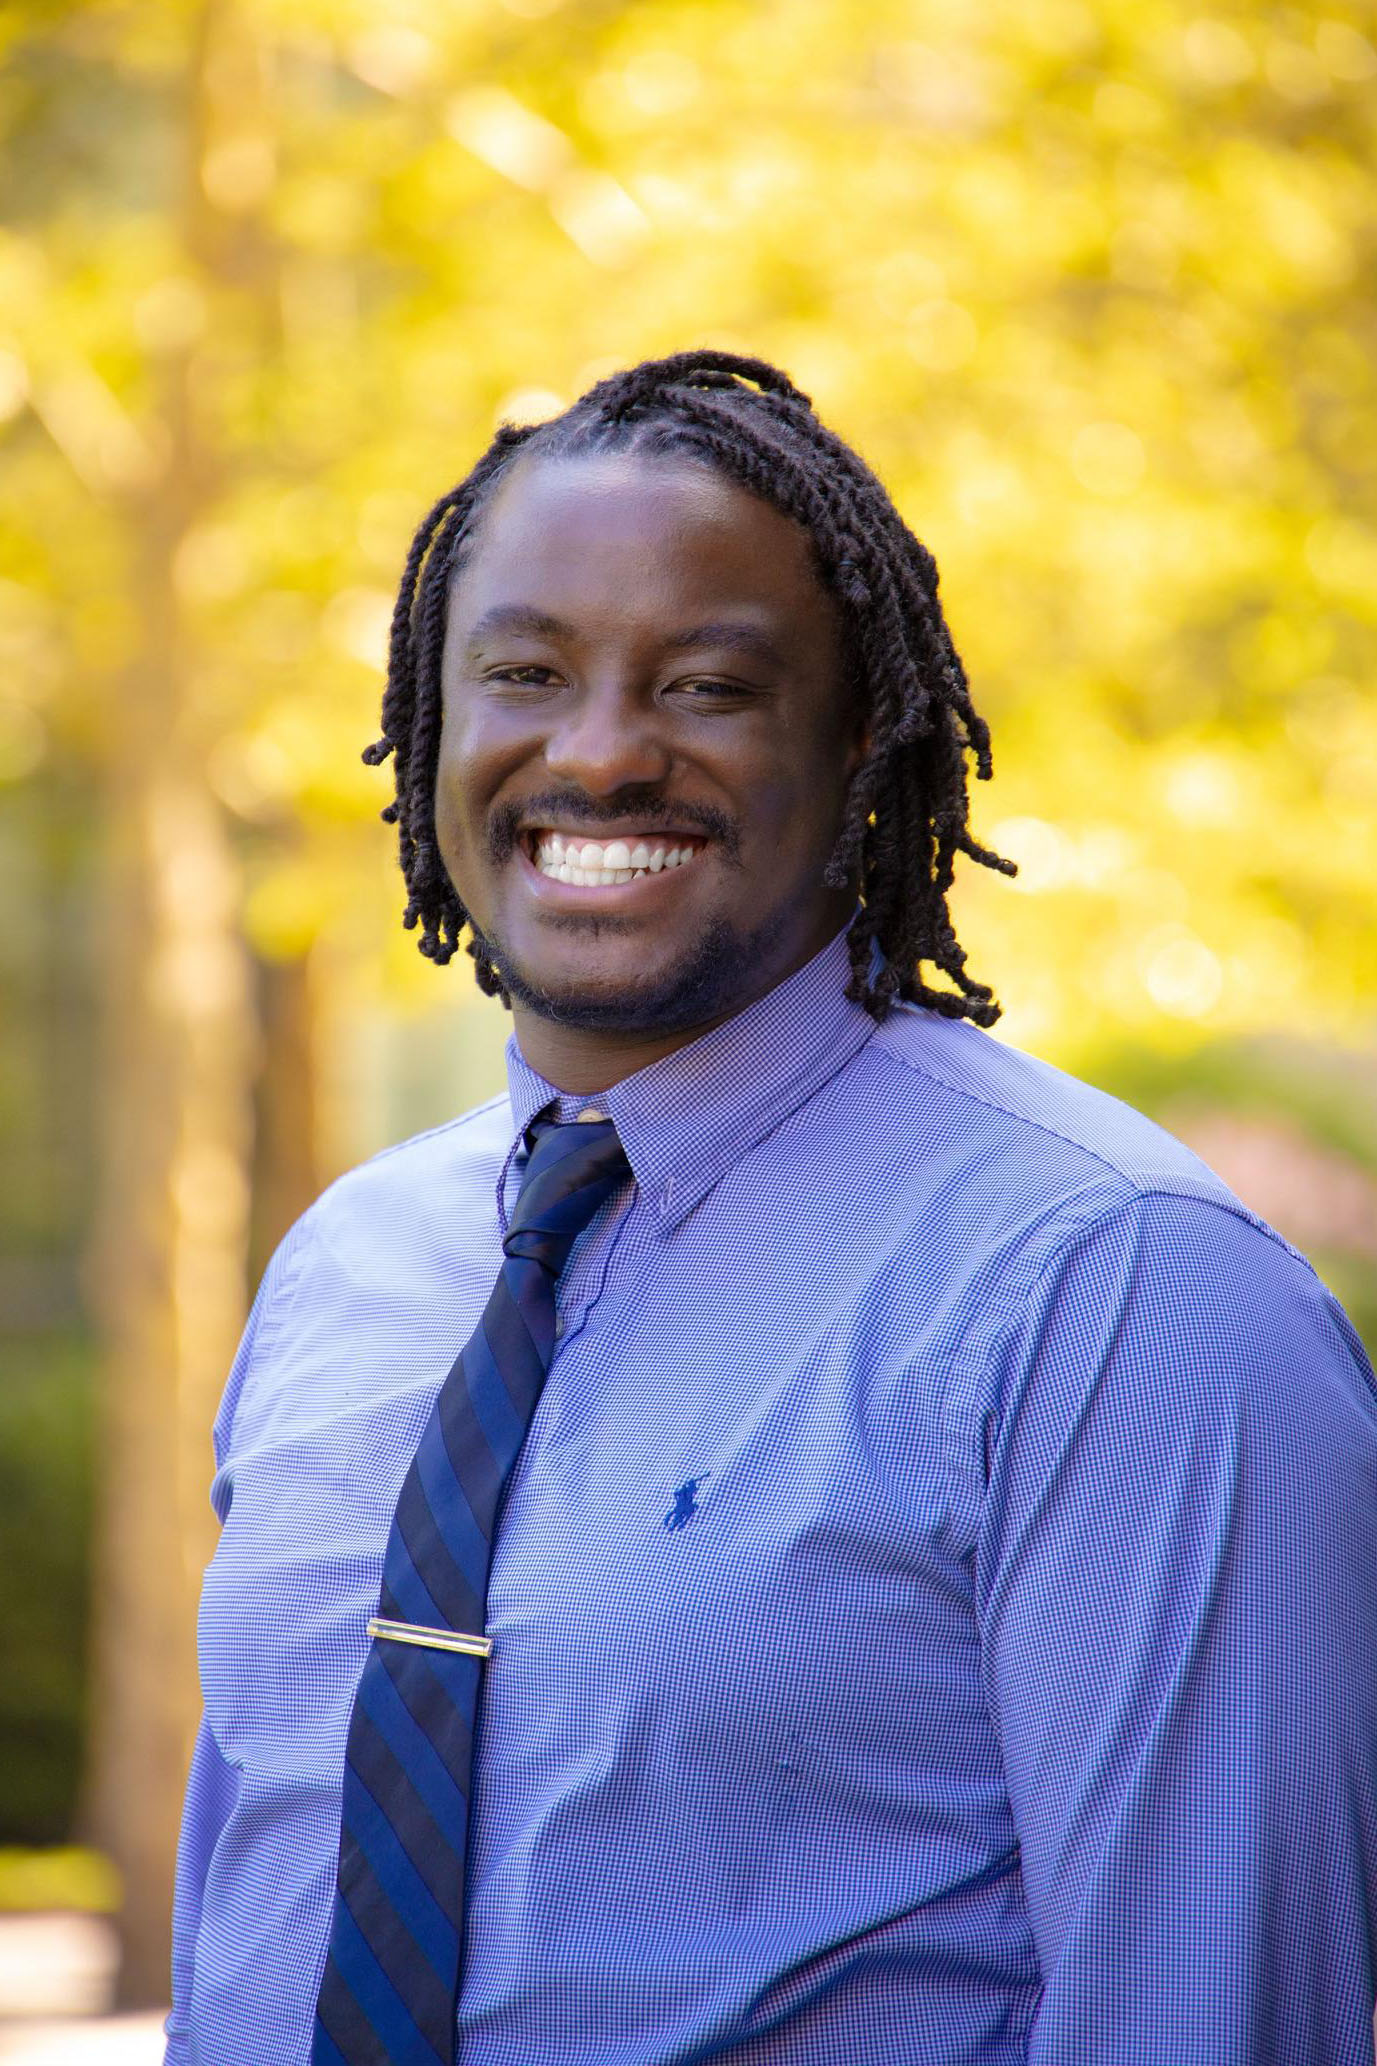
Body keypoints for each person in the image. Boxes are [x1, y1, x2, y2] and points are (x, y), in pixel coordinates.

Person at [165, 350, 1377, 2066]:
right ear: (437, 723)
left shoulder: (1119, 1295)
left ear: (857, 738)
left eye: (708, 687)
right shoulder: (345, 1268)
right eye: (524, 671)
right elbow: (246, 1926)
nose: (597, 752)